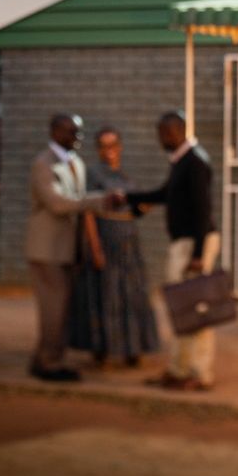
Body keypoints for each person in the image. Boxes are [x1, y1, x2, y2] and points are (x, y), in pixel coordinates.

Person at [127, 112, 219, 391]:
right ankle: (178, 369)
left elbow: (204, 210)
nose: (161, 139)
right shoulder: (181, 162)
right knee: (180, 307)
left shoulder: (195, 163)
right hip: (185, 243)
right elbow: (165, 194)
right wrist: (129, 197)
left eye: (165, 133)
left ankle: (199, 373)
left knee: (195, 308)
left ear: (178, 131)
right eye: (160, 133)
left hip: (194, 244)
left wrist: (199, 255)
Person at [25, 113, 117, 383]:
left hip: (68, 248)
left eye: (79, 133)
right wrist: (98, 201)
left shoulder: (74, 162)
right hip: (47, 249)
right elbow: (57, 203)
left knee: (63, 307)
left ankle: (45, 357)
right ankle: (49, 363)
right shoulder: (43, 164)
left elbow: (76, 202)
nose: (77, 138)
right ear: (54, 132)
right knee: (54, 307)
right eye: (71, 132)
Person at [69, 126, 160, 368]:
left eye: (113, 145)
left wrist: (147, 203)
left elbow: (134, 210)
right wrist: (95, 247)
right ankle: (104, 349)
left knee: (131, 296)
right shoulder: (93, 174)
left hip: (128, 244)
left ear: (119, 147)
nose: (109, 151)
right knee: (107, 295)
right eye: (103, 146)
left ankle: (133, 347)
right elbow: (87, 212)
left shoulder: (125, 177)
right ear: (98, 149)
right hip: (106, 240)